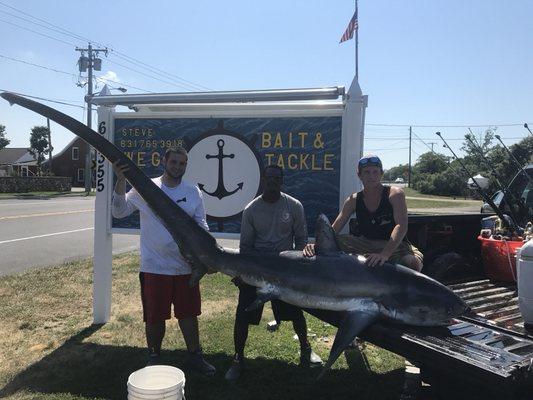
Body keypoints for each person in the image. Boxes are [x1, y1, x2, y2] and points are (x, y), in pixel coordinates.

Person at [112, 147, 216, 376]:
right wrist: (120, 181)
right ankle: (154, 357)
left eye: (182, 163)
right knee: (155, 316)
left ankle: (194, 356)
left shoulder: (193, 191)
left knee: (188, 314)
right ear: (164, 162)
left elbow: (202, 225)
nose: (177, 167)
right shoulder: (145, 189)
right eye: (174, 162)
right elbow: (119, 211)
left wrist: (207, 254)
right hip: (155, 266)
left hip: (185, 267)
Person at [225, 165, 322, 380]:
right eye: (269, 178)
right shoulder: (251, 209)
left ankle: (305, 347)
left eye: (277, 178)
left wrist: (299, 267)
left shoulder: (294, 205)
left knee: (296, 312)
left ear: (282, 180)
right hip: (257, 267)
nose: (273, 181)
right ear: (263, 179)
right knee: (243, 314)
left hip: (285, 269)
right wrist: (243, 274)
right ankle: (238, 358)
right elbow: (246, 248)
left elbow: (302, 241)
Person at [303, 155, 423, 271]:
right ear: (359, 175)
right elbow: (336, 227)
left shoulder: (395, 194)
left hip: (395, 245)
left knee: (412, 263)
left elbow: (401, 226)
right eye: (366, 172)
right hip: (365, 243)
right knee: (329, 245)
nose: (371, 176)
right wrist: (319, 244)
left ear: (381, 174)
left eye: (375, 172)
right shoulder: (353, 200)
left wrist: (384, 254)